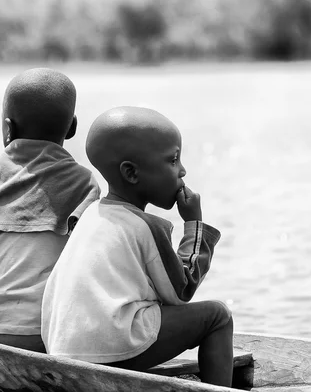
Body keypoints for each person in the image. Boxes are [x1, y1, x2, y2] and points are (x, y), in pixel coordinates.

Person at [41, 106, 233, 386]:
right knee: (218, 316)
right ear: (131, 173)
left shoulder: (88, 213)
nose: (182, 170)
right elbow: (182, 291)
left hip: (61, 347)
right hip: (111, 350)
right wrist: (195, 225)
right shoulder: (146, 226)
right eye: (173, 160)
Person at [0, 67, 101, 353]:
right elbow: (84, 265)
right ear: (72, 127)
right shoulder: (82, 180)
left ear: (8, 128)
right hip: (41, 336)